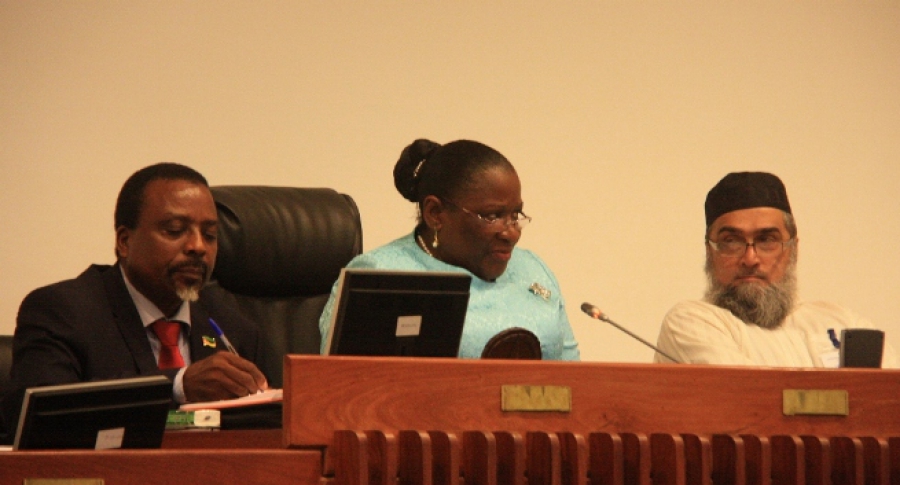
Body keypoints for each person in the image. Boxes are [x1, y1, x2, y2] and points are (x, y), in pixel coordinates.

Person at [0, 163, 269, 442]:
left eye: (210, 235)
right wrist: (178, 386)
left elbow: (265, 429)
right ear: (125, 242)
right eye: (175, 230)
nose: (198, 246)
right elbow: (44, 420)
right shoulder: (61, 312)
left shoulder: (236, 330)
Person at [319, 139, 580, 360]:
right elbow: (342, 388)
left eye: (515, 214)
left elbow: (575, 376)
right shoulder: (381, 275)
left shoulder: (532, 268)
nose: (511, 233)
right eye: (492, 216)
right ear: (435, 213)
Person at [654, 171, 898, 367]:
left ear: (793, 249)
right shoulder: (690, 322)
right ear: (710, 251)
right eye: (731, 241)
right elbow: (753, 398)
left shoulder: (843, 322)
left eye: (767, 240)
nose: (750, 258)